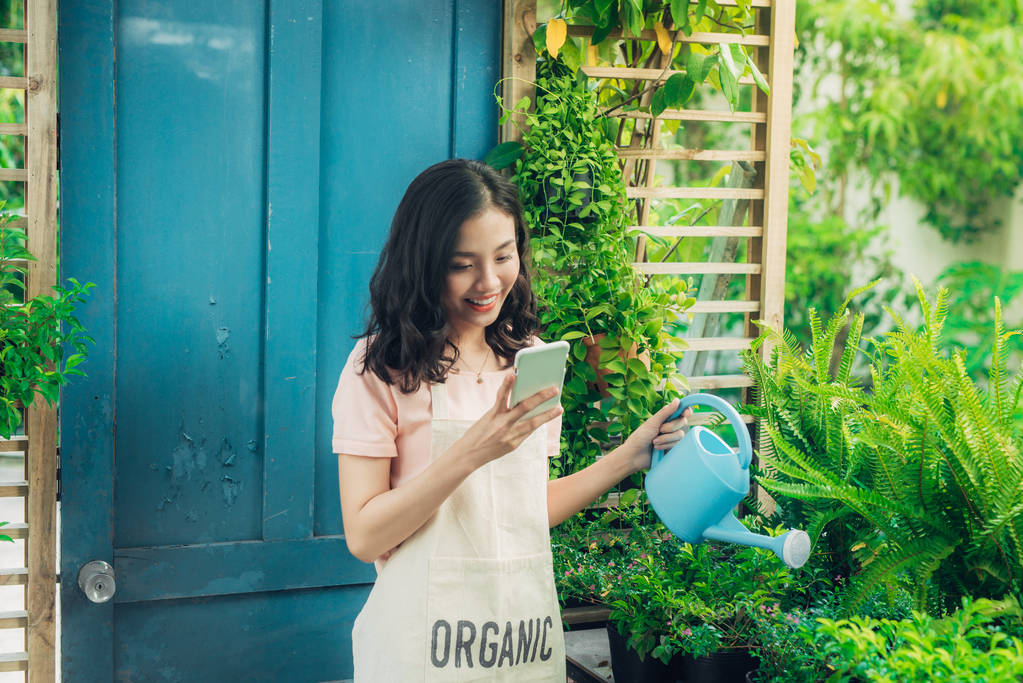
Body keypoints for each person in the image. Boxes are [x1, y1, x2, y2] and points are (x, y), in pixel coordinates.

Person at [333, 158, 691, 681]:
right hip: (419, 650)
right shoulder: (382, 368)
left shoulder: (529, 360)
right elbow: (364, 537)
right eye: (462, 264)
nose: (488, 281)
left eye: (503, 256)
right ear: (423, 264)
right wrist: (472, 452)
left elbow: (523, 509)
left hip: (518, 642)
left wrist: (629, 457)